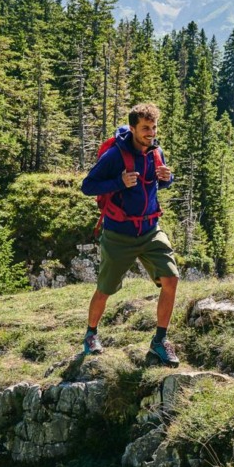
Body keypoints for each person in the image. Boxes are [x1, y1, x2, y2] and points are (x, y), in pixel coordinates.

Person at [80, 103, 181, 367]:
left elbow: (159, 183)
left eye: (154, 127)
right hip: (118, 235)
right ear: (134, 128)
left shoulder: (156, 153)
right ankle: (91, 334)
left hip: (150, 230)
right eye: (145, 128)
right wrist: (118, 182)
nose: (151, 133)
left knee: (171, 279)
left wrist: (168, 178)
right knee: (105, 289)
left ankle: (160, 341)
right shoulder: (115, 155)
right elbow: (87, 186)